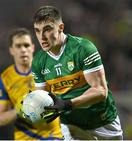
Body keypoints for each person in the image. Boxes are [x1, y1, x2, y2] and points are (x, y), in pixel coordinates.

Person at [32, 6, 123, 140]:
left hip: (102, 122)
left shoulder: (83, 48)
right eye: (37, 31)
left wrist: (68, 104)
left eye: (47, 29)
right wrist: (33, 107)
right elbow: (44, 99)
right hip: (70, 125)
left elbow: (100, 91)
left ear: (61, 27)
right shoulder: (38, 61)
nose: (42, 37)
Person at [0, 28, 63, 140]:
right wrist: (20, 110)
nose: (23, 50)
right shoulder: (5, 79)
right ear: (11, 50)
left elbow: (68, 101)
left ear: (32, 47)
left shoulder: (50, 69)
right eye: (18, 46)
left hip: (53, 136)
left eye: (26, 45)